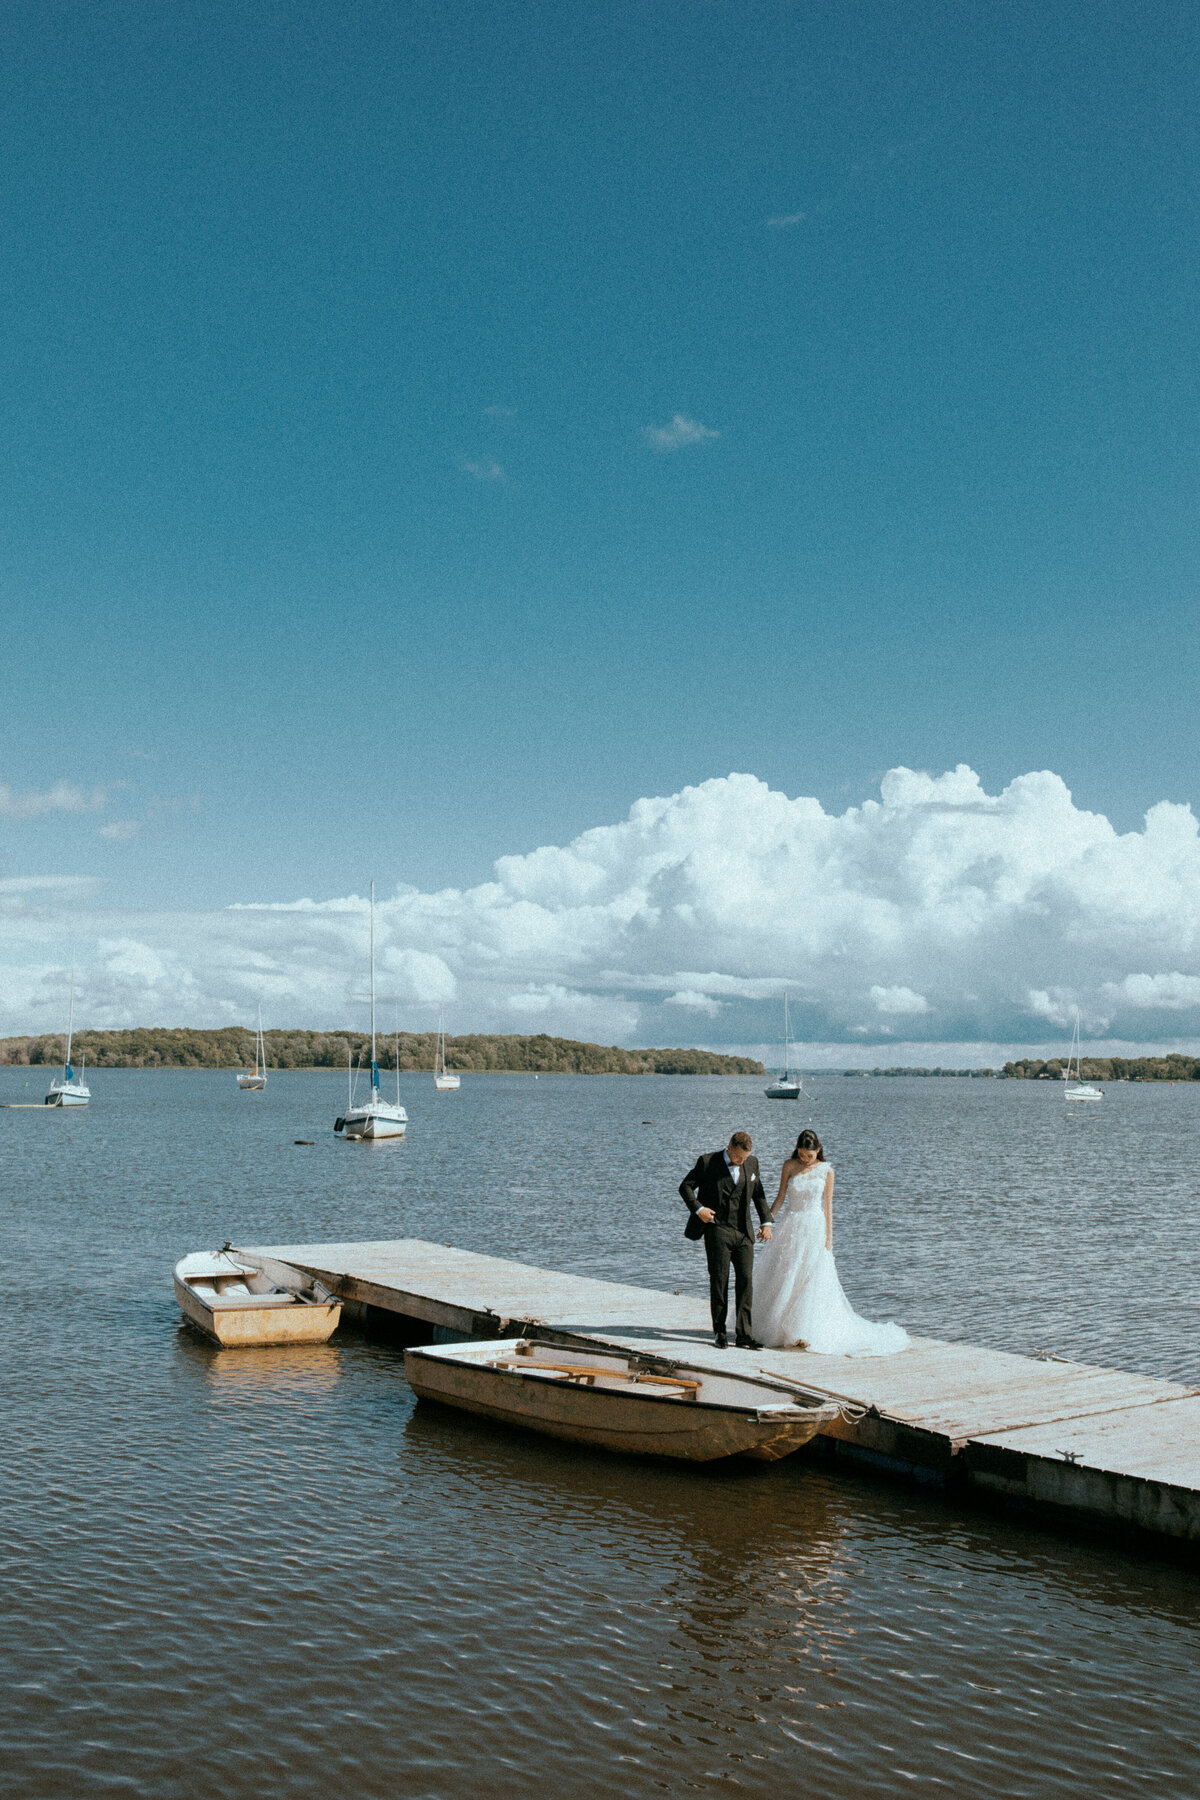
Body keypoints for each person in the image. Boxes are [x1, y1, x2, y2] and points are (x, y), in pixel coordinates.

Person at [753, 1128, 909, 1356]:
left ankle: (805, 1330)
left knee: (811, 1278)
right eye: (802, 1154)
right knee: (786, 1275)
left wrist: (829, 1237)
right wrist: (768, 1222)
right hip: (792, 1224)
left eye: (810, 1155)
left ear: (818, 1151)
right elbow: (780, 1197)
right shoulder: (789, 1165)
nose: (806, 1160)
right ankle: (780, 1328)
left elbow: (828, 1206)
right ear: (797, 1150)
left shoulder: (827, 1171)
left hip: (814, 1227)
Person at [679, 1131, 771, 1348]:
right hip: (717, 1230)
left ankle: (743, 1334)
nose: (741, 1162)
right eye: (738, 1158)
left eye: (745, 1159)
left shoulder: (752, 1163)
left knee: (746, 1282)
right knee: (719, 1281)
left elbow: (758, 1194)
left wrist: (766, 1222)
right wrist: (698, 1209)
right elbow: (685, 1187)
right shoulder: (708, 1162)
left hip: (744, 1233)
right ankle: (720, 1332)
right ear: (729, 1148)